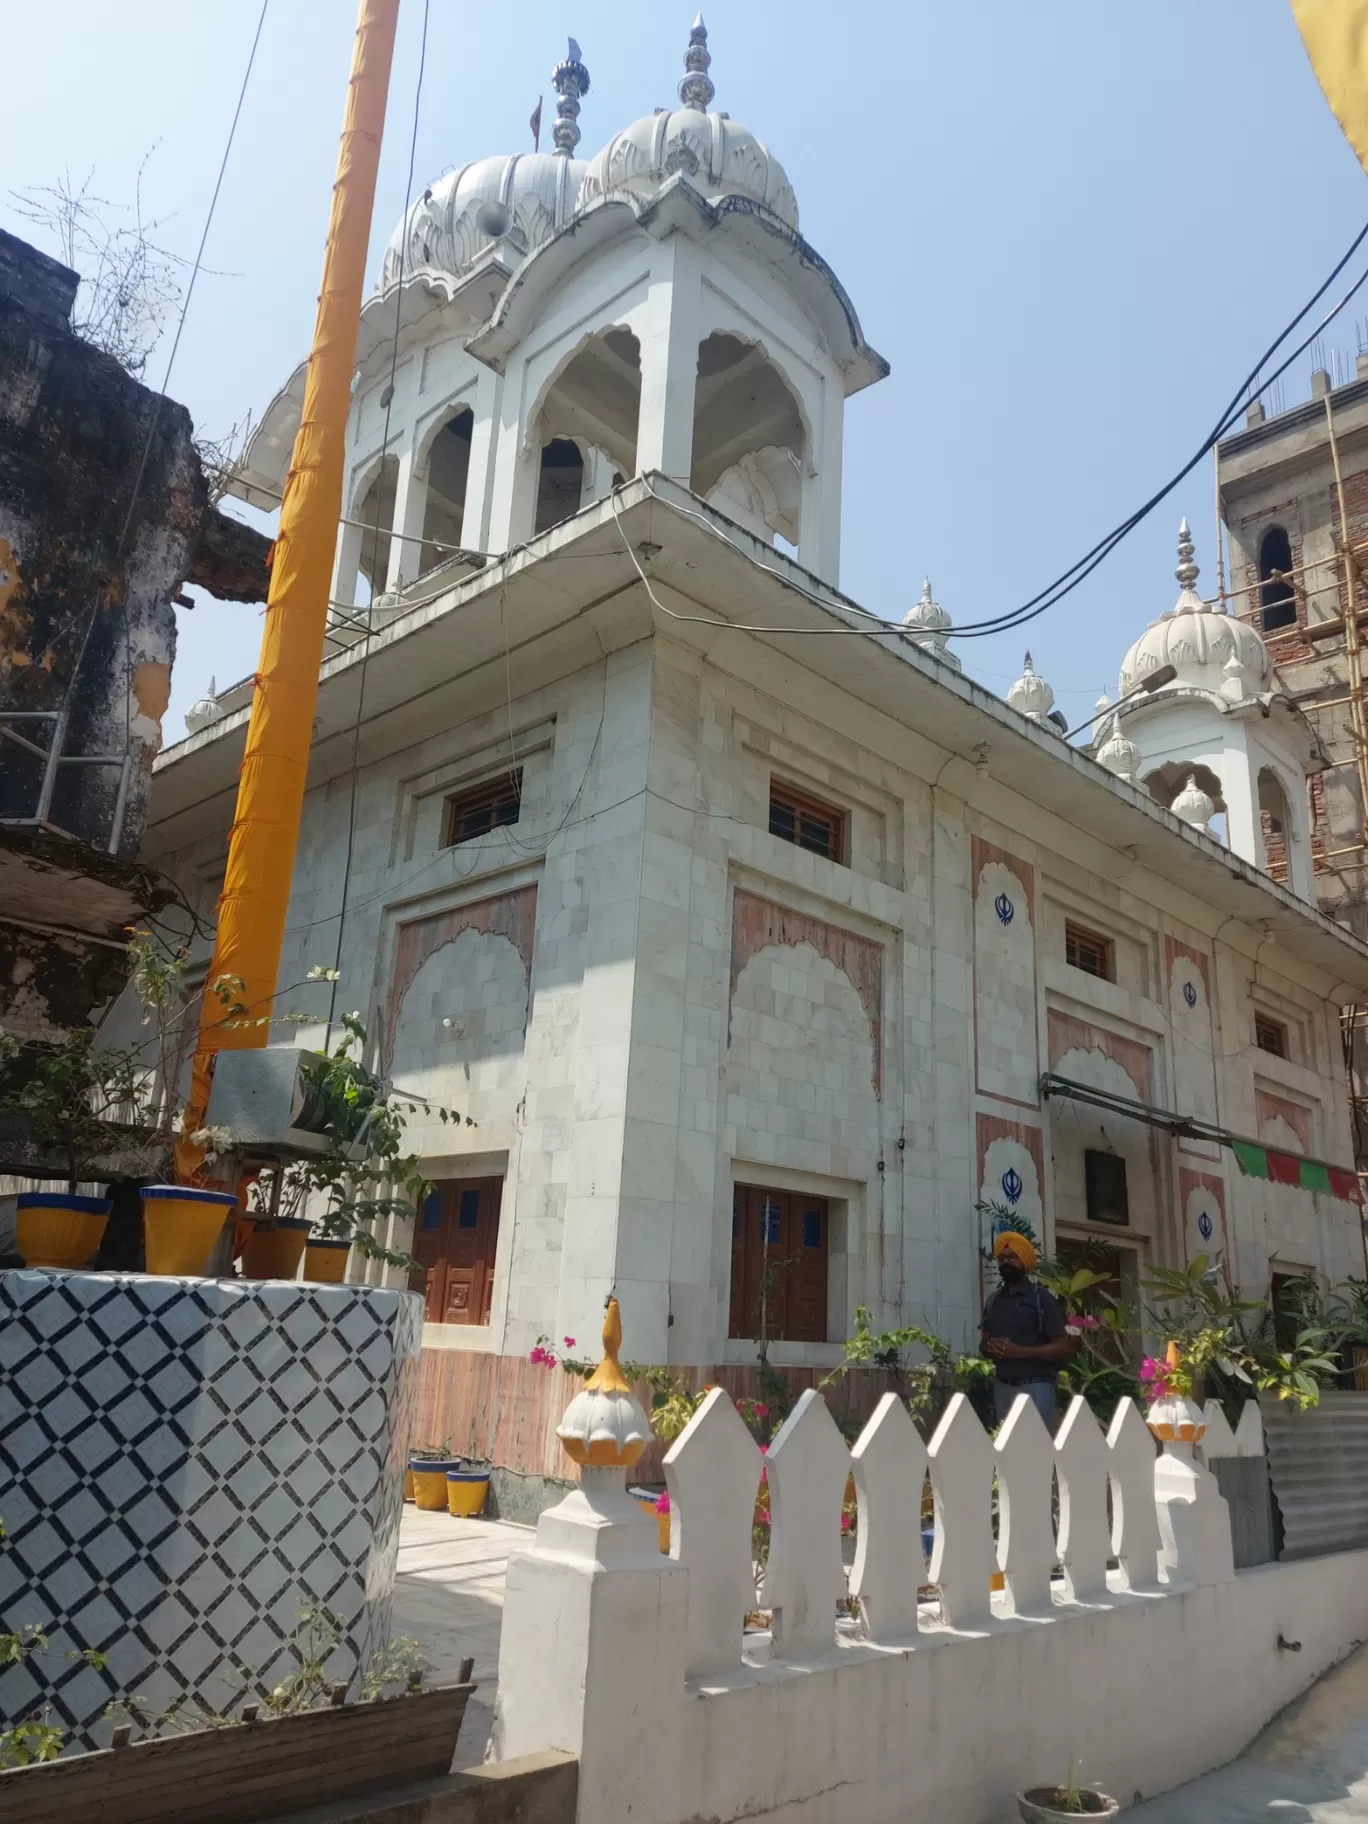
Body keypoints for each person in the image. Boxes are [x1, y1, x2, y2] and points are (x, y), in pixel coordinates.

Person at [980, 1230, 1076, 1429]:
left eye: (1013, 1257)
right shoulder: (993, 1301)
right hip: (1002, 1386)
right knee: (1006, 1450)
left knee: (1035, 1449)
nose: (1007, 1262)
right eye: (1003, 1258)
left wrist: (1019, 1352)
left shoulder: (1043, 1299)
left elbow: (1062, 1346)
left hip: (1036, 1386)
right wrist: (991, 1348)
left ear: (1024, 1260)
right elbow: (984, 1343)